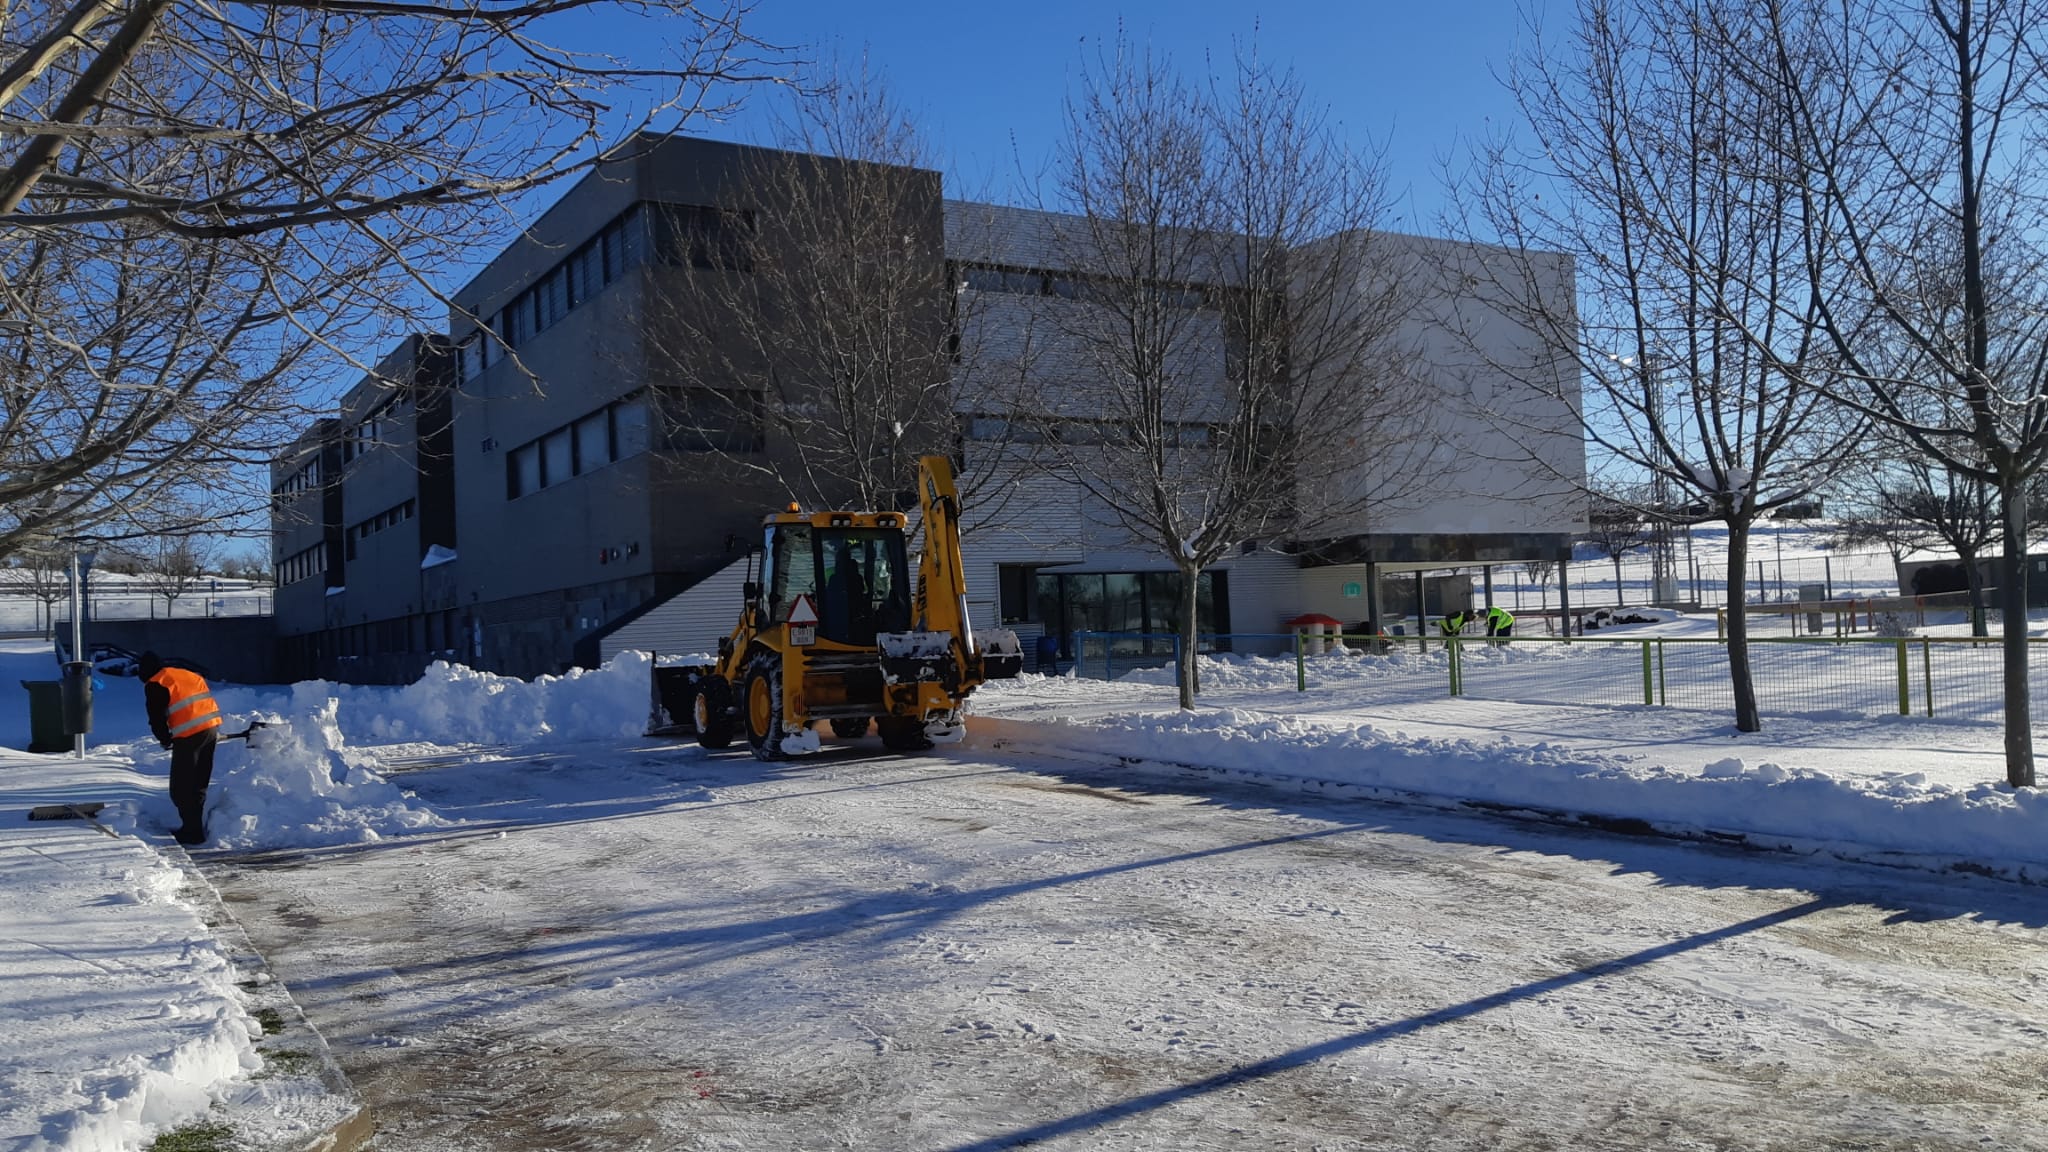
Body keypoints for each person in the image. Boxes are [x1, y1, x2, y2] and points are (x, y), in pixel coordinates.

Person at [139, 652, 222, 845]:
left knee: (181, 788)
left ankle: (192, 832)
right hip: (210, 729)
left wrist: (165, 739)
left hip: (189, 736)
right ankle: (194, 828)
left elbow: (157, 718)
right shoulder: (187, 674)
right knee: (198, 782)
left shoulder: (156, 682)